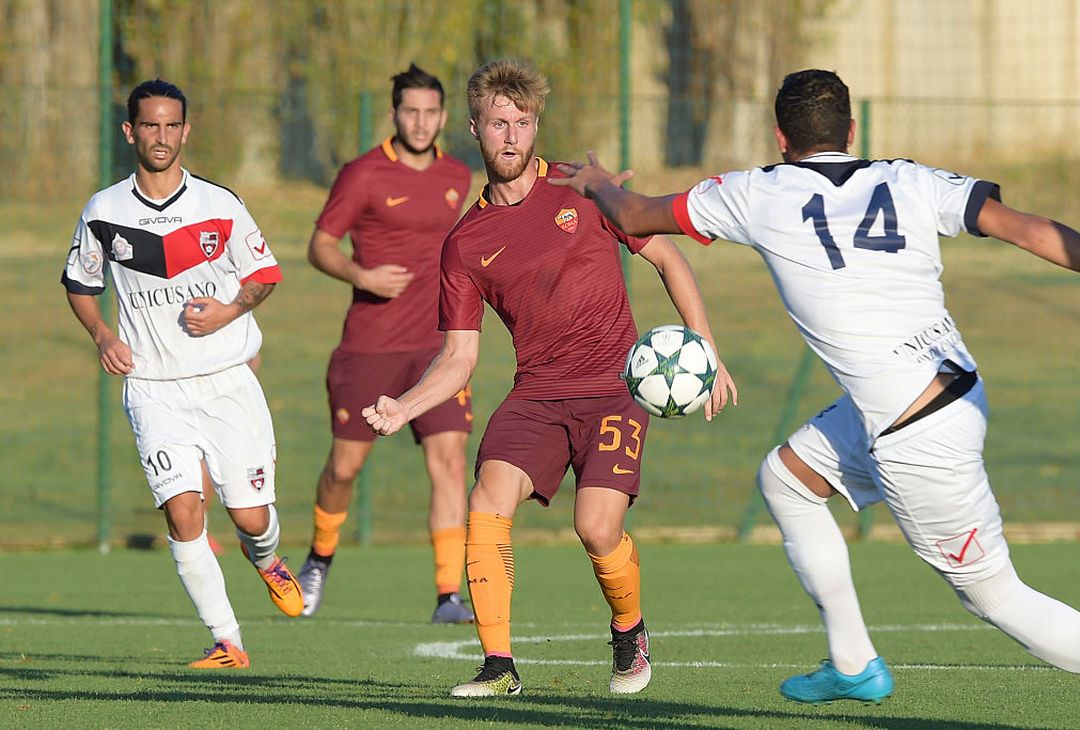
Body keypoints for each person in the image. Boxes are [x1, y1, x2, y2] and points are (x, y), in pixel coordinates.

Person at [552, 68, 1080, 703]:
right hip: (949, 390)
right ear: (851, 130)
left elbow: (634, 216)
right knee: (786, 478)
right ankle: (853, 662)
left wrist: (598, 184)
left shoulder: (755, 193)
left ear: (780, 137)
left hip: (916, 435)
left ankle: (859, 661)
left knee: (997, 596)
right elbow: (1026, 227)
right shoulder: (910, 179)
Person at [363, 59, 737, 698]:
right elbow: (458, 356)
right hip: (536, 394)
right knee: (486, 502)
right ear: (475, 130)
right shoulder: (465, 243)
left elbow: (668, 257)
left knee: (595, 527)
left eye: (523, 122)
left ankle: (629, 630)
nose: (511, 135)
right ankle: (498, 667)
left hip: (613, 387)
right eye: (498, 123)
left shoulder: (584, 188)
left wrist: (706, 345)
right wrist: (404, 407)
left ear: (536, 127)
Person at [62, 79, 304, 669]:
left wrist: (229, 310)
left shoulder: (220, 204)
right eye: (150, 125)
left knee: (249, 517)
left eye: (172, 126)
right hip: (152, 388)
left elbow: (265, 274)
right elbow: (80, 285)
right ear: (130, 132)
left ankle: (268, 559)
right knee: (182, 509)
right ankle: (228, 641)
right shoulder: (104, 211)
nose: (162, 137)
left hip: (225, 379)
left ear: (186, 131)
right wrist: (103, 336)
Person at [295, 64, 476, 624]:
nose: (420, 122)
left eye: (430, 112)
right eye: (410, 111)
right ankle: (320, 557)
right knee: (344, 469)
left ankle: (449, 596)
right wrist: (364, 277)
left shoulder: (458, 175)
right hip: (370, 348)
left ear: (444, 118)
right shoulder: (364, 174)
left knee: (448, 462)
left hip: (437, 351)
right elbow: (320, 245)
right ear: (394, 114)